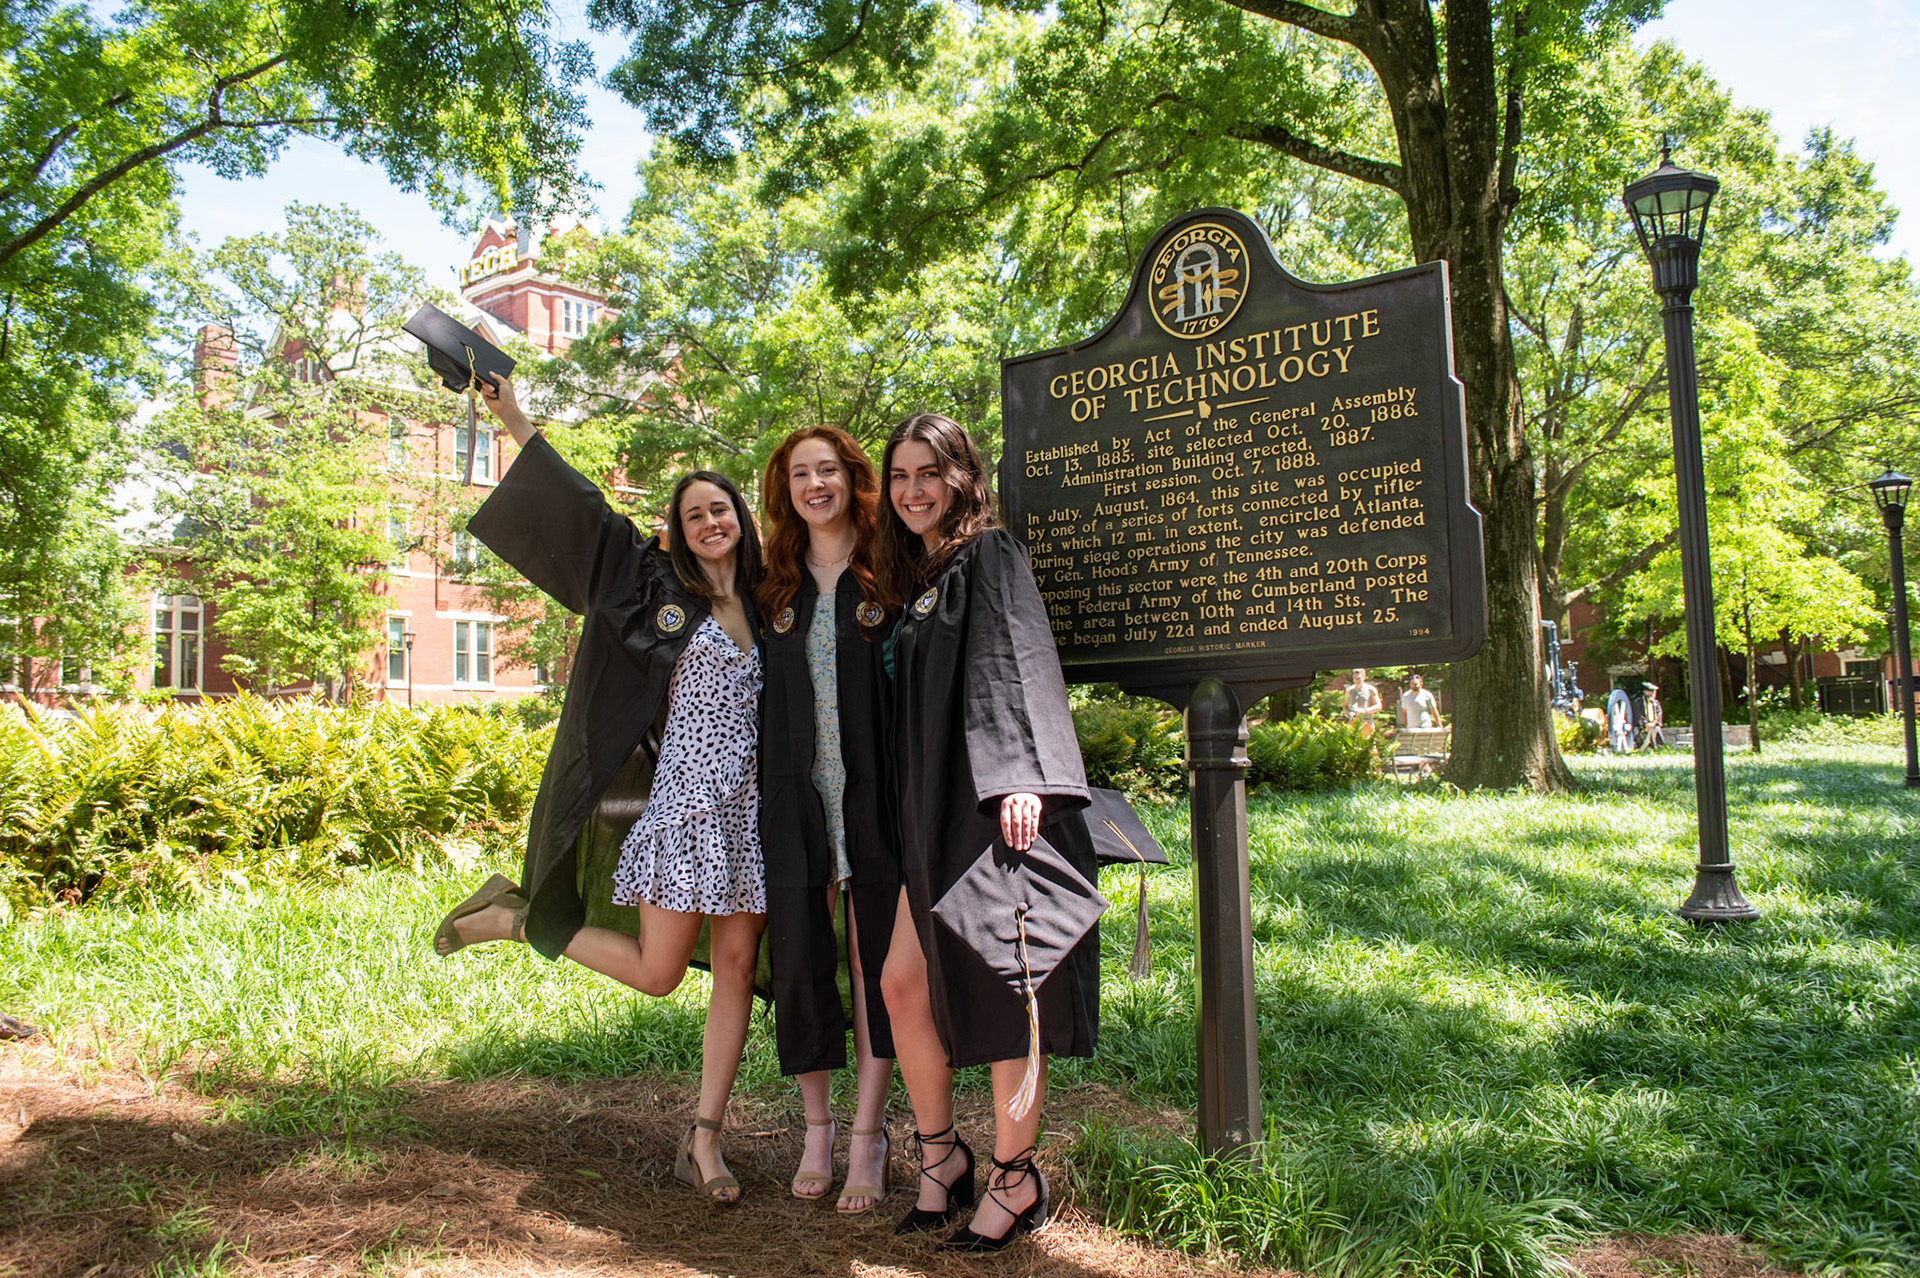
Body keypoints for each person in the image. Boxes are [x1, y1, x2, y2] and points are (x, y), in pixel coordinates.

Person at [432, 374, 766, 1205]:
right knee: (659, 974)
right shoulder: (655, 588)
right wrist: (512, 415)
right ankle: (516, 918)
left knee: (735, 969)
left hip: (753, 816)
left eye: (721, 508)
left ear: (742, 518)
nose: (710, 522)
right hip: (684, 808)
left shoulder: (774, 603)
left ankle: (705, 1141)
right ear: (676, 533)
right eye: (694, 514)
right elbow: (584, 513)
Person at [876, 412, 1098, 1253]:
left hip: (989, 806)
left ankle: (1014, 1175)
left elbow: (1018, 658)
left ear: (961, 477)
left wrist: (1021, 776)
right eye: (900, 476)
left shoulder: (989, 555)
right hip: (931, 814)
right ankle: (942, 1158)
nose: (913, 490)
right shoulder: (922, 578)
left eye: (928, 472)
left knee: (1010, 987)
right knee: (903, 985)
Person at [757, 426, 899, 1213]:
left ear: (852, 478)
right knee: (802, 961)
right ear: (786, 491)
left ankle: (868, 1136)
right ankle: (818, 1129)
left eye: (829, 470)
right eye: (801, 474)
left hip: (876, 796)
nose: (816, 485)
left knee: (877, 966)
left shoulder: (889, 572)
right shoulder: (773, 586)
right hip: (794, 798)